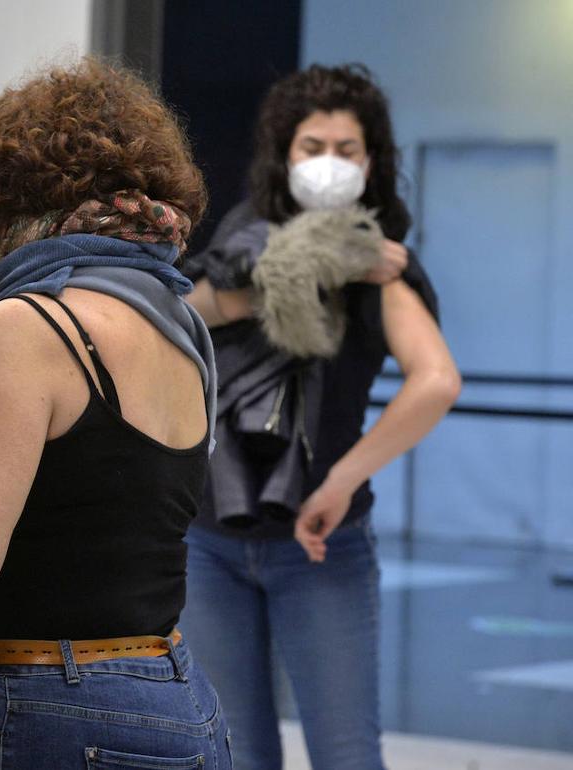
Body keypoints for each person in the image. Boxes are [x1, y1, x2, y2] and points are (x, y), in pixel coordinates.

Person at [0, 59, 232, 769]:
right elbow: (98, 507)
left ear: (1, 195)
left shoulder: (27, 323)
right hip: (173, 694)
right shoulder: (180, 326)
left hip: (51, 711)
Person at [178, 64, 461, 770]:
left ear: (372, 161)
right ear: (285, 153)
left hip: (324, 547)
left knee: (346, 756)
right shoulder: (244, 235)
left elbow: (436, 381)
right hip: (208, 540)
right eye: (313, 147)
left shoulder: (384, 261)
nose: (329, 163)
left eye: (346, 149)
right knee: (233, 755)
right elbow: (181, 317)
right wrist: (308, 264)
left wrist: (341, 481)